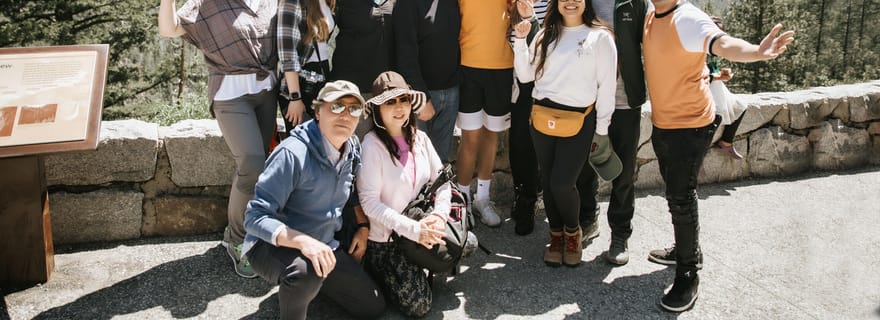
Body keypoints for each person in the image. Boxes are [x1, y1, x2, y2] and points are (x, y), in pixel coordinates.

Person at [642, 0, 794, 311]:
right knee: (675, 192)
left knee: (681, 197)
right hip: (664, 123)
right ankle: (687, 250)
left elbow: (723, 43)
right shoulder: (652, 17)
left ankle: (688, 273)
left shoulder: (687, 17)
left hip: (690, 126)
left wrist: (757, 51)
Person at [242, 80, 386, 320]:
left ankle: (310, 287)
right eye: (336, 106)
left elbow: (350, 193)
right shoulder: (292, 154)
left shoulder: (352, 148)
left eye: (354, 109)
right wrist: (303, 242)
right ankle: (298, 291)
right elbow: (254, 217)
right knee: (305, 272)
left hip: (323, 243)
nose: (345, 115)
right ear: (318, 112)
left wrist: (363, 226)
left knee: (372, 306)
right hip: (270, 245)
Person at [158, 0, 278, 279]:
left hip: (267, 92)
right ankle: (237, 240)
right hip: (230, 94)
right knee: (251, 164)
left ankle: (250, 229)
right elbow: (169, 28)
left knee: (256, 169)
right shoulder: (207, 3)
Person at [513, 0, 617, 267]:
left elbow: (606, 88)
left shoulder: (600, 38)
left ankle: (572, 233)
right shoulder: (544, 35)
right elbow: (525, 76)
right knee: (548, 181)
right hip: (542, 118)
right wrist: (521, 41)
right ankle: (556, 235)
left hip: (580, 119)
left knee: (562, 183)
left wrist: (602, 130)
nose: (571, 2)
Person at [357, 71, 448, 317]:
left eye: (404, 100)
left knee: (466, 243)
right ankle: (382, 273)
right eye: (390, 102)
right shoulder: (371, 147)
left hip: (423, 222)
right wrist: (414, 230)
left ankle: (417, 264)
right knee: (420, 305)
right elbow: (369, 203)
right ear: (377, 109)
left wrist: (439, 217)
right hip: (388, 241)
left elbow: (442, 182)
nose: (399, 108)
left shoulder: (421, 138)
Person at [575, 0, 649, 265]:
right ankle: (587, 220)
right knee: (583, 166)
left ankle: (620, 234)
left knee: (624, 171)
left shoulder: (633, 2)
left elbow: (651, 43)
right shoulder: (581, 1)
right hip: (588, 97)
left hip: (625, 98)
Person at [456, 0, 520, 228]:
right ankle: (461, 201)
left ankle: (482, 199)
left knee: (491, 135)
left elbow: (518, 13)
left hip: (502, 67)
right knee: (470, 137)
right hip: (467, 65)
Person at [393, 0, 461, 164]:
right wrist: (421, 96)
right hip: (422, 95)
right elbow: (405, 52)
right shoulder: (407, 4)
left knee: (440, 162)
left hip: (451, 91)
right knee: (416, 161)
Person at [507, 0, 550, 236]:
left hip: (548, 83)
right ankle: (524, 198)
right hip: (520, 83)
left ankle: (537, 196)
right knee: (520, 143)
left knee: (543, 144)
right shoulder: (511, 5)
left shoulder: (554, 4)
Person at [277, 0, 337, 132]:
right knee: (302, 139)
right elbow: (287, 54)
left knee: (322, 138)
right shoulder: (293, 3)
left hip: (322, 75)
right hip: (299, 83)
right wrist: (295, 98)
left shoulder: (327, 2)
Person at [707, 16, 746, 160]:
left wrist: (722, 73)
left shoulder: (712, 50)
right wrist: (718, 77)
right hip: (705, 88)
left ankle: (726, 142)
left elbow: (711, 69)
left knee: (740, 106)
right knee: (714, 118)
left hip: (716, 86)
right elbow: (695, 76)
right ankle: (699, 156)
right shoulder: (698, 51)